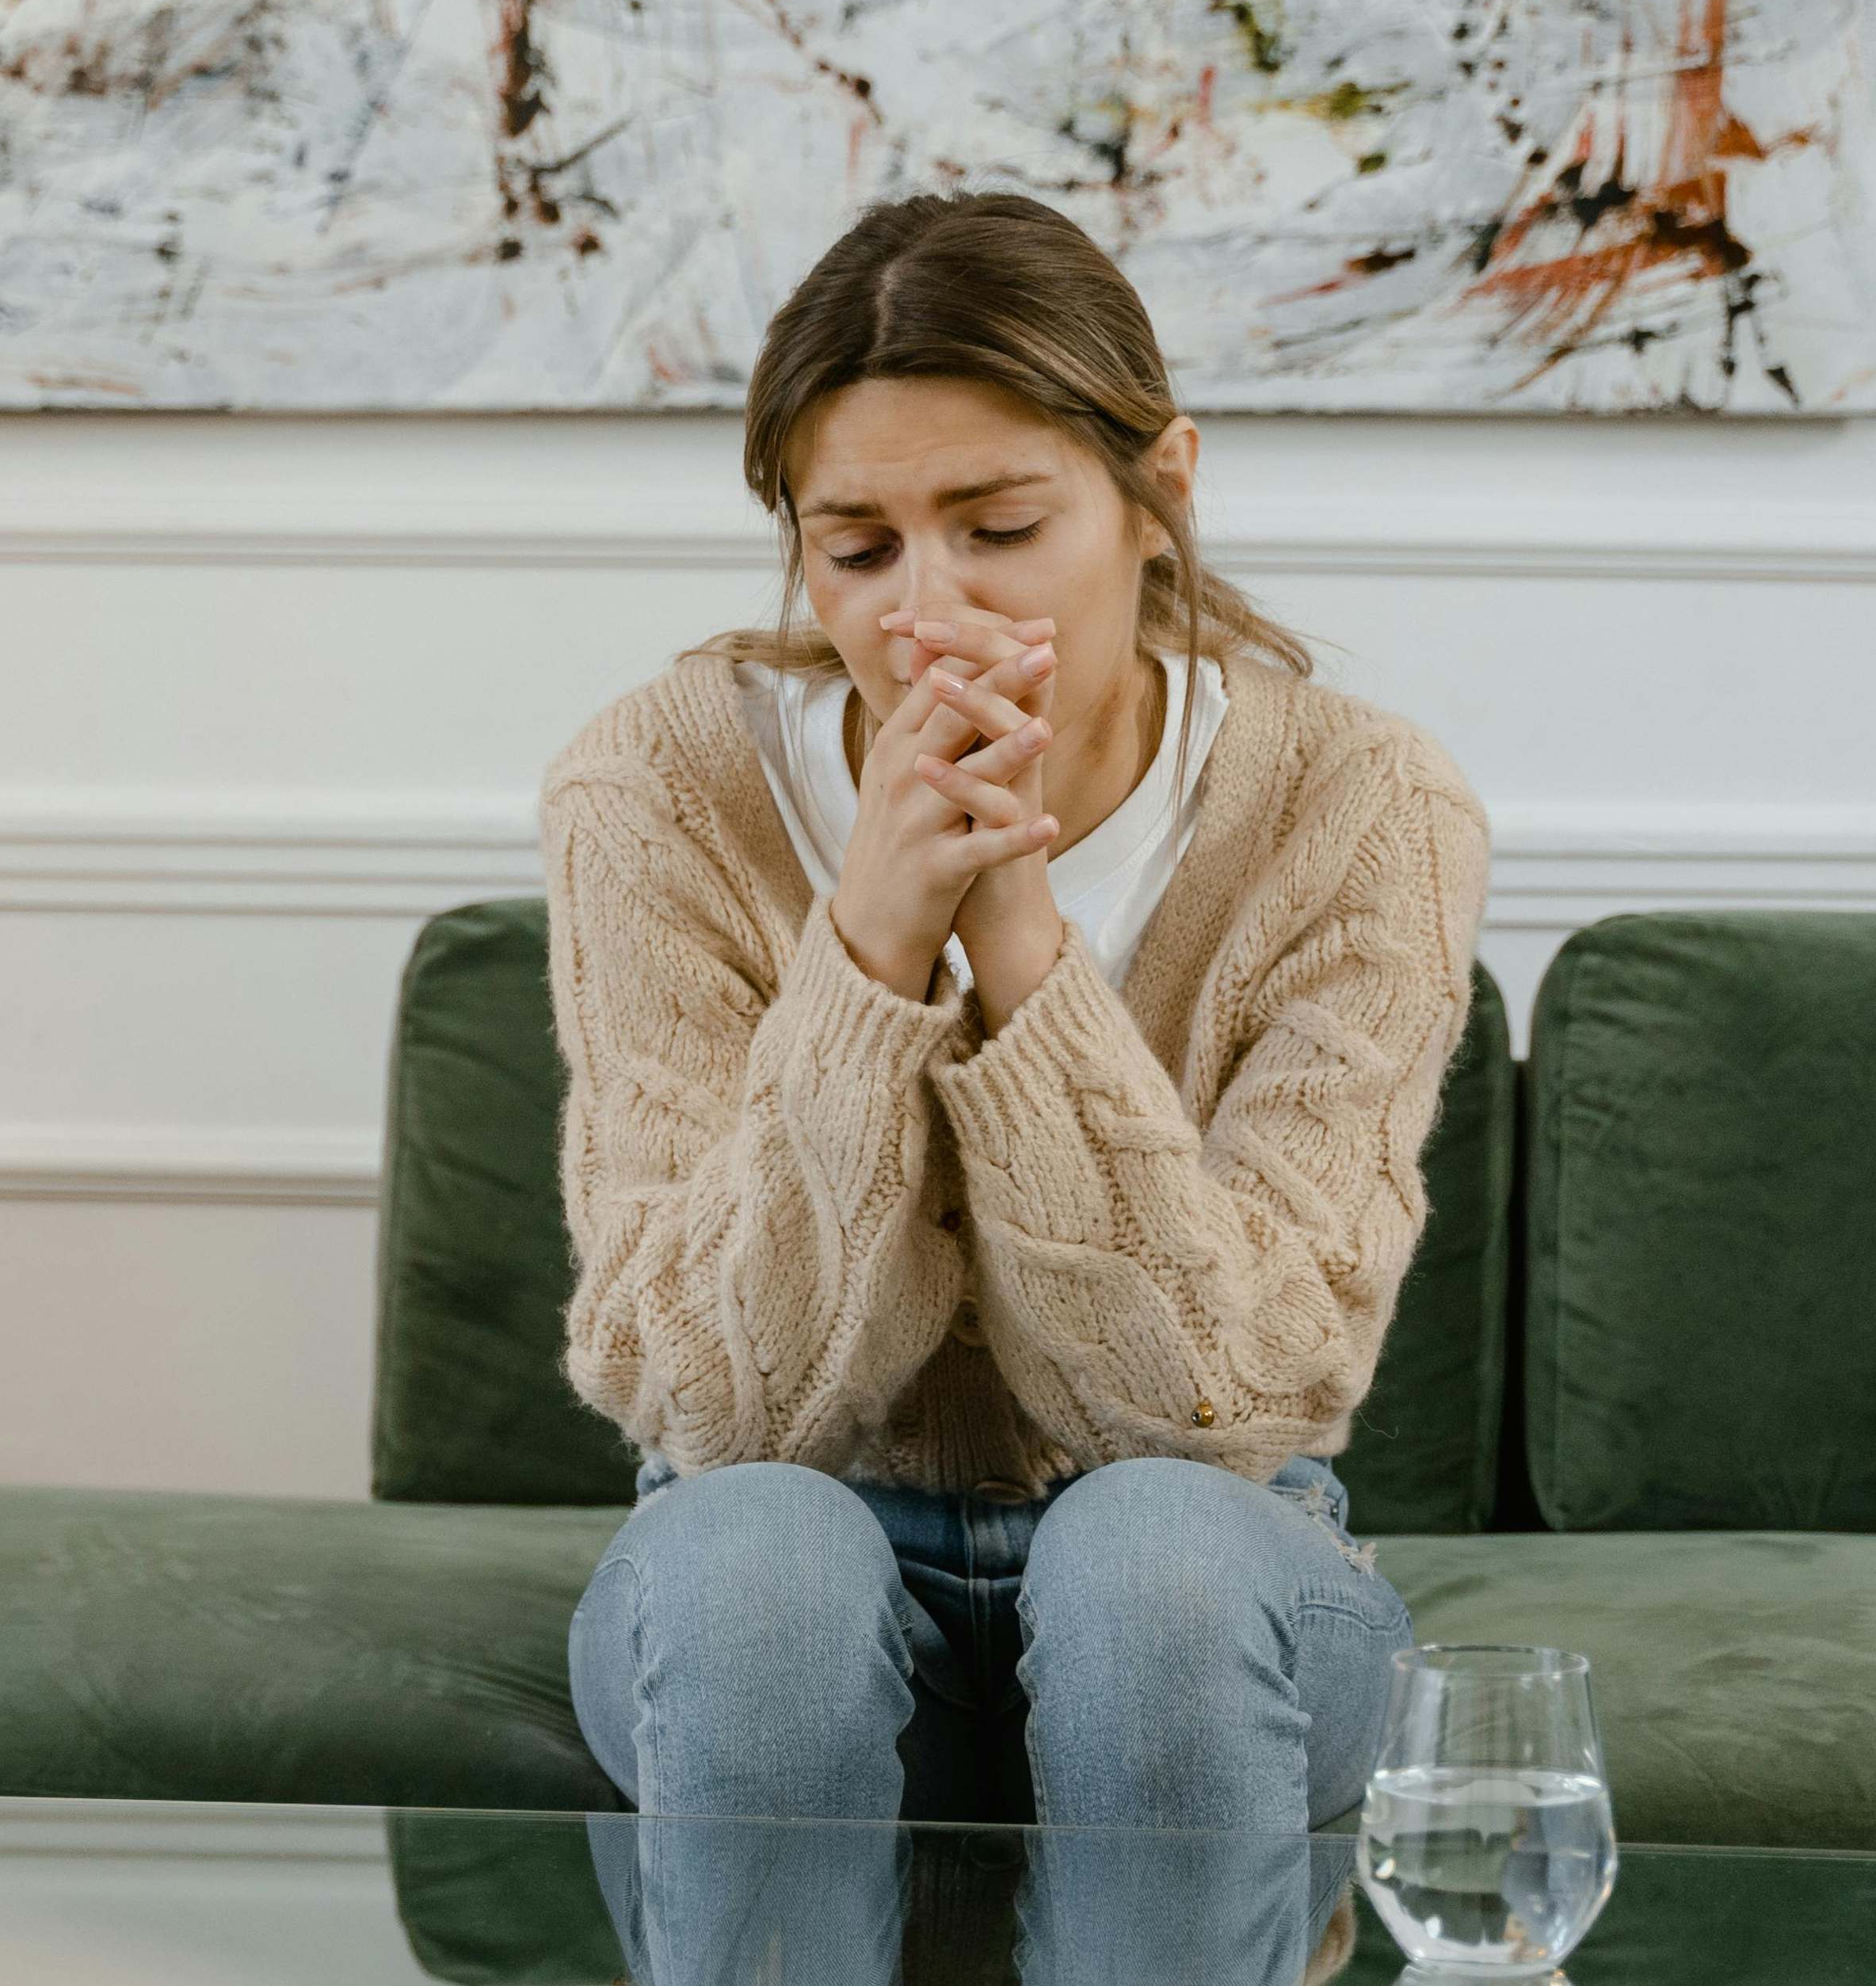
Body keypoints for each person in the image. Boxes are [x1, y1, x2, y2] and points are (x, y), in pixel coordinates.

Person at [538, 188, 1490, 1980]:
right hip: (781, 1572)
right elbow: (701, 1397)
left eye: (997, 526)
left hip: (1205, 1580)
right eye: (858, 547)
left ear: (1160, 493)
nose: (927, 612)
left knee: (1152, 1558)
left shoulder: (1361, 808)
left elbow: (1234, 1396)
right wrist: (876, 948)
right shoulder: (653, 790)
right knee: (751, 1562)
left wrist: (1027, 950)